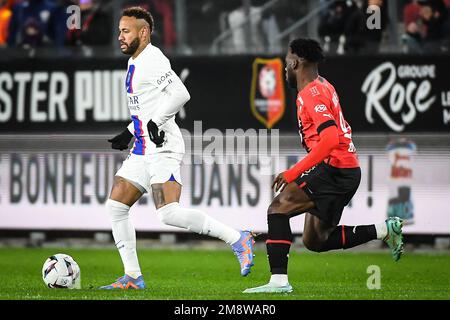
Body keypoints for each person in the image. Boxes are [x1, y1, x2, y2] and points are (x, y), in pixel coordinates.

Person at [100, 6, 255, 290]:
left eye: (126, 31)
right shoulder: (135, 60)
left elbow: (181, 94)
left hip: (163, 146)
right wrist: (130, 131)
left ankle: (237, 238)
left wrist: (155, 123)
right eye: (119, 30)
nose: (119, 36)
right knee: (116, 206)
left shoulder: (152, 58)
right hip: (144, 147)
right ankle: (132, 277)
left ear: (143, 33)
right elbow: (148, 106)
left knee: (168, 213)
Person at [244, 38, 404, 294]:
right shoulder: (322, 85)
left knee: (278, 209)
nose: (285, 67)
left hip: (335, 169)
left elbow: (330, 139)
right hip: (345, 170)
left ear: (296, 62)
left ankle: (278, 282)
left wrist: (292, 172)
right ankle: (385, 229)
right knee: (315, 239)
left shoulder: (312, 92)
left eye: (287, 61)